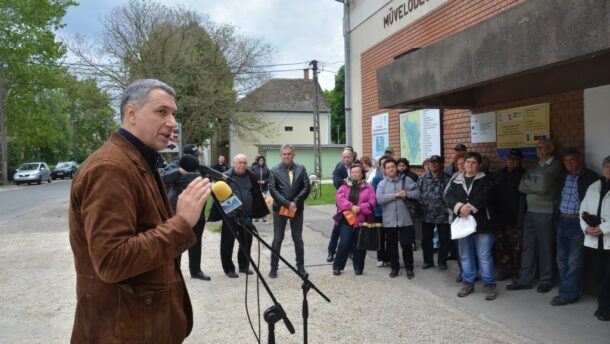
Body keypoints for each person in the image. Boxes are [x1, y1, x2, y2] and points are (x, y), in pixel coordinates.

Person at [69, 79, 211, 342]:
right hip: (121, 332)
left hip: (141, 327)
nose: (171, 122)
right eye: (161, 112)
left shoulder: (138, 161)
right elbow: (112, 261)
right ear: (131, 114)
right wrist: (181, 223)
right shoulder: (110, 167)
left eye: (173, 114)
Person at [507, 139, 563, 293]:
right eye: (537, 147)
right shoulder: (535, 166)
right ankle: (525, 279)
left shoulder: (555, 165)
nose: (538, 149)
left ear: (551, 149)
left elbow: (542, 187)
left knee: (545, 247)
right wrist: (535, 183)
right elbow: (521, 186)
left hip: (545, 211)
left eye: (541, 147)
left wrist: (532, 183)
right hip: (530, 211)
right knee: (528, 246)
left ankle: (546, 279)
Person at [445, 152, 498, 300]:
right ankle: (468, 282)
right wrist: (459, 207)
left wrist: (469, 207)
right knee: (465, 254)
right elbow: (448, 197)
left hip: (483, 223)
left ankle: (489, 284)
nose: (470, 165)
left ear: (479, 165)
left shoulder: (487, 179)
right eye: (468, 162)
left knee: (484, 255)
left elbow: (486, 196)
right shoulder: (456, 179)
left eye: (474, 162)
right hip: (463, 224)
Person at [209, 154, 270, 278]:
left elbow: (256, 193)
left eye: (244, 162)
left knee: (246, 242)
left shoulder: (251, 176)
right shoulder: (225, 176)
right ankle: (229, 269)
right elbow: (216, 194)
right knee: (227, 243)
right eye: (239, 162)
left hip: (247, 215)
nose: (242, 165)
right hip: (230, 216)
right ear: (234, 163)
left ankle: (244, 266)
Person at [551, 148, 598, 305]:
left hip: (578, 223)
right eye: (566, 161)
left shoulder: (590, 177)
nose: (569, 163)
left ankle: (567, 295)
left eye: (572, 160)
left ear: (580, 159)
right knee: (561, 260)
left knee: (574, 261)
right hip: (562, 220)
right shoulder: (562, 177)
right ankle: (571, 290)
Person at [161, 143, 211, 281]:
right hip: (180, 212)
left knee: (196, 241)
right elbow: (163, 178)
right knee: (177, 241)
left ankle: (196, 271)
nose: (197, 160)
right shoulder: (176, 165)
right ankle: (173, 271)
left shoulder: (199, 168)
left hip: (199, 210)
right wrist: (180, 171)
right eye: (195, 157)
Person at [268, 144, 311, 278]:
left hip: (297, 209)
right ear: (281, 155)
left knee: (297, 238)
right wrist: (287, 203)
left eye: (289, 154)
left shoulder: (301, 168)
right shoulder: (274, 170)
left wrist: (295, 202)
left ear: (293, 154)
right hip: (280, 208)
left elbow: (306, 186)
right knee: (278, 238)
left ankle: (300, 266)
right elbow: (273, 190)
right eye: (284, 154)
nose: (286, 156)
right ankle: (274, 267)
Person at [376, 158, 418, 278]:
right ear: (384, 170)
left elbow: (418, 193)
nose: (391, 169)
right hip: (389, 221)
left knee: (406, 245)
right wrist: (395, 195)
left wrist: (407, 194)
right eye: (388, 167)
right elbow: (379, 199)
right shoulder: (382, 184)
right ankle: (395, 268)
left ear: (396, 168)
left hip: (406, 219)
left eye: (393, 167)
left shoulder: (406, 180)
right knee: (392, 246)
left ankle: (409, 268)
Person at [580, 156, 610, 321]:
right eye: (607, 166)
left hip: (608, 238)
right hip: (594, 239)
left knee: (608, 276)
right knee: (599, 274)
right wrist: (587, 228)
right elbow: (582, 210)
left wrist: (603, 228)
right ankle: (603, 305)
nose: (609, 169)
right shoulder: (593, 187)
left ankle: (606, 309)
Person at [332, 164, 376, 275]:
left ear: (362, 174)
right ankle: (337, 266)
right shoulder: (344, 185)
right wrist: (351, 206)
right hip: (346, 219)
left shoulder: (369, 187)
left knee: (360, 244)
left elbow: (372, 203)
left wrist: (360, 208)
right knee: (344, 243)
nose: (354, 174)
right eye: (352, 172)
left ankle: (358, 267)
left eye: (357, 172)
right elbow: (340, 199)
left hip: (361, 219)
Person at [492, 149, 526, 282]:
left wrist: (521, 218)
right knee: (501, 246)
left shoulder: (524, 175)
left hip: (515, 219)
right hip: (500, 218)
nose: (512, 161)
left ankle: (516, 273)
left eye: (515, 159)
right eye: (510, 158)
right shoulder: (498, 174)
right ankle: (505, 269)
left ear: (520, 161)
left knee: (516, 248)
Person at [418, 155, 451, 270]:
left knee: (444, 239)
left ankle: (442, 261)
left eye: (436, 162)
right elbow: (418, 194)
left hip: (443, 214)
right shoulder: (422, 178)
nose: (433, 164)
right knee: (426, 239)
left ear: (441, 164)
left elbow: (451, 196)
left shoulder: (447, 178)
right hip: (427, 214)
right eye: (431, 162)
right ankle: (428, 261)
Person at [327, 148, 355, 262]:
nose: (346, 159)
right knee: (337, 228)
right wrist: (350, 182)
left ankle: (351, 251)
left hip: (354, 203)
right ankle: (331, 252)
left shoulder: (356, 167)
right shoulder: (339, 169)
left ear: (352, 156)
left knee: (352, 227)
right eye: (344, 157)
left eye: (348, 157)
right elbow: (337, 183)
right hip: (342, 204)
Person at [372, 156, 390, 267]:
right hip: (378, 212)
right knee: (380, 236)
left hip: (390, 212)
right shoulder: (376, 179)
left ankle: (388, 258)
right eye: (382, 165)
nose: (385, 167)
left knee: (390, 236)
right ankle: (380, 257)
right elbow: (374, 196)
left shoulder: (394, 179)